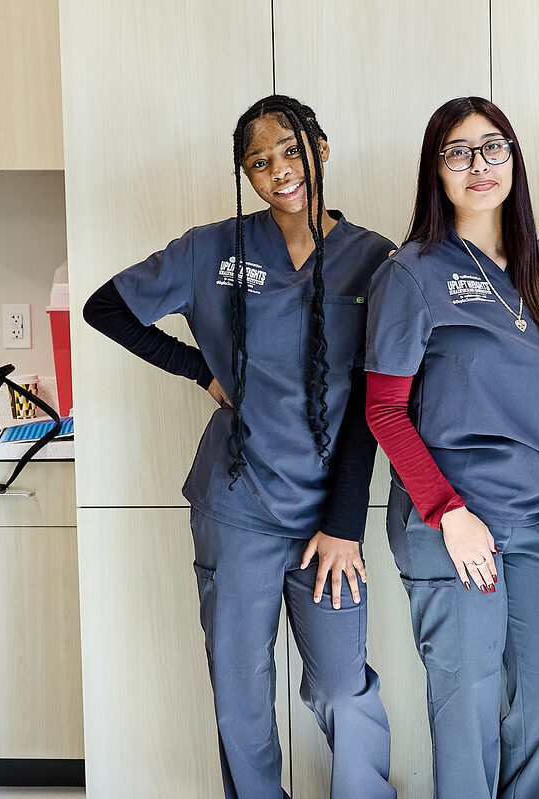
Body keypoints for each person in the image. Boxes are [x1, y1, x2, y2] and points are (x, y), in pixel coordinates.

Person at [82, 94, 396, 799]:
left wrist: (345, 523)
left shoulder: (377, 261)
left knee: (344, 687)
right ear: (247, 176)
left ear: (320, 147)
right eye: (259, 162)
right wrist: (201, 370)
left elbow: (379, 401)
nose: (279, 170)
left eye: (290, 149)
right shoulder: (211, 249)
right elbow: (104, 305)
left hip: (327, 521)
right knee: (240, 696)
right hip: (236, 504)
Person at [363, 96, 539, 799]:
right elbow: (384, 410)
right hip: (450, 517)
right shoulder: (413, 272)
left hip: (533, 515)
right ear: (437, 170)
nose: (479, 165)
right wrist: (449, 512)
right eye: (458, 151)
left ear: (514, 159)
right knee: (468, 716)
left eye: (494, 147)